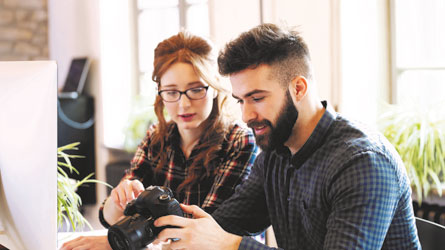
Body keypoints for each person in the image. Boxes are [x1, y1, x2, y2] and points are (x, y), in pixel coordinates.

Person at [153, 23, 421, 249]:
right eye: (240, 101)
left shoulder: (363, 163)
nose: (246, 116)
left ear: (299, 88)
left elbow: (224, 239)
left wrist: (232, 245)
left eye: (256, 98)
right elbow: (220, 226)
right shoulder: (275, 154)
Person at [60, 31, 258, 250]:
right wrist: (119, 199)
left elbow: (207, 228)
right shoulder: (157, 136)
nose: (183, 104)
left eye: (195, 90)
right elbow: (109, 217)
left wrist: (115, 240)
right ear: (160, 93)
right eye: (171, 92)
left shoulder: (239, 141)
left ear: (214, 88)